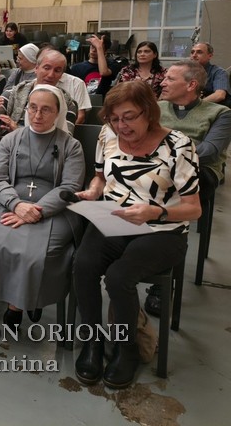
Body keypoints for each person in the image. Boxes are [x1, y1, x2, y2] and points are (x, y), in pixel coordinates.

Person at [73, 80, 201, 390]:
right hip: (116, 218)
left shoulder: (179, 145)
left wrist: (155, 212)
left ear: (149, 112)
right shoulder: (109, 136)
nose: (121, 126)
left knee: (119, 276)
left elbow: (193, 208)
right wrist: (93, 192)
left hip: (163, 228)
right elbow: (100, 176)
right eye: (115, 119)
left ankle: (125, 349)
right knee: (83, 264)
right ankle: (91, 342)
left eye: (129, 117)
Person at [0, 85, 84, 329]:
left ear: (58, 112)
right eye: (33, 108)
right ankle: (16, 300)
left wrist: (36, 210)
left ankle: (24, 303)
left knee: (35, 254)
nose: (37, 115)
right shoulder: (10, 139)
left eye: (46, 110)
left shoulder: (71, 146)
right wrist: (18, 205)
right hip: (6, 203)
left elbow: (70, 187)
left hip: (54, 209)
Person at [151, 60, 231, 307]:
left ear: (191, 85)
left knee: (168, 199)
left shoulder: (220, 114)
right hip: (157, 171)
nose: (162, 82)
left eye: (170, 79)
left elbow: (208, 150)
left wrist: (164, 156)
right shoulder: (157, 107)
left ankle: (162, 282)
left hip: (200, 172)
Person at [0, 49, 79, 143]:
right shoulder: (15, 91)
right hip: (7, 147)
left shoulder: (68, 103)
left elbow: (65, 141)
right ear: (36, 68)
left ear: (61, 75)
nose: (50, 75)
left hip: (45, 155)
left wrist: (18, 131)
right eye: (46, 68)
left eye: (57, 70)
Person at [68, 32, 122, 96]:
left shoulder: (113, 65)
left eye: (97, 48)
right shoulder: (77, 67)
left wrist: (99, 47)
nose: (93, 50)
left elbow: (104, 72)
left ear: (105, 51)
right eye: (92, 46)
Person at [189, 42, 230, 106]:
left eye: (199, 52)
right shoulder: (186, 72)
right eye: (192, 52)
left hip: (213, 109)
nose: (194, 55)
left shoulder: (219, 72)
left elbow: (219, 95)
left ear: (210, 56)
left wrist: (195, 105)